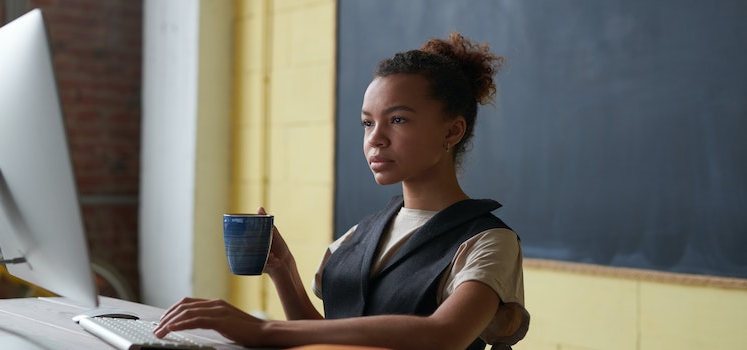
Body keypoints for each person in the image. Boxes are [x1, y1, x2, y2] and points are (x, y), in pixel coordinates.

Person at [154, 32, 529, 350]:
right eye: (368, 123)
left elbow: (443, 335)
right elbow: (328, 338)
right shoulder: (363, 232)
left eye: (398, 120)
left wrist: (265, 329)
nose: (375, 139)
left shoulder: (488, 241)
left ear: (452, 131)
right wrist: (284, 272)